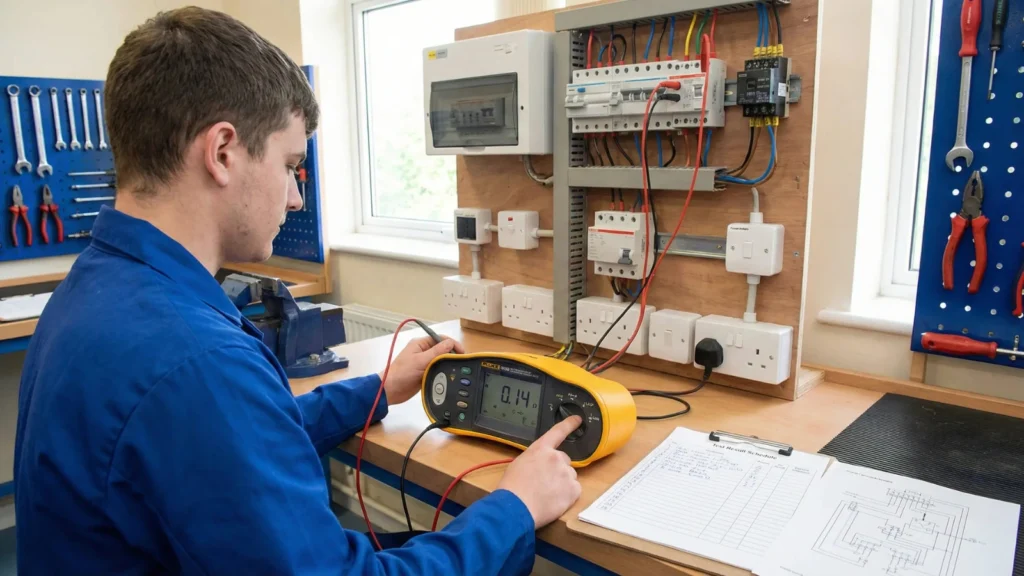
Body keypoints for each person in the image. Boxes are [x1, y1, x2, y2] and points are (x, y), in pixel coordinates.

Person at [13, 7, 582, 575]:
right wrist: (513, 507)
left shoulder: (98, 286)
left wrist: (377, 391)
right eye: (290, 165)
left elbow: (240, 442)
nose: (295, 198)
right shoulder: (195, 360)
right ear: (222, 153)